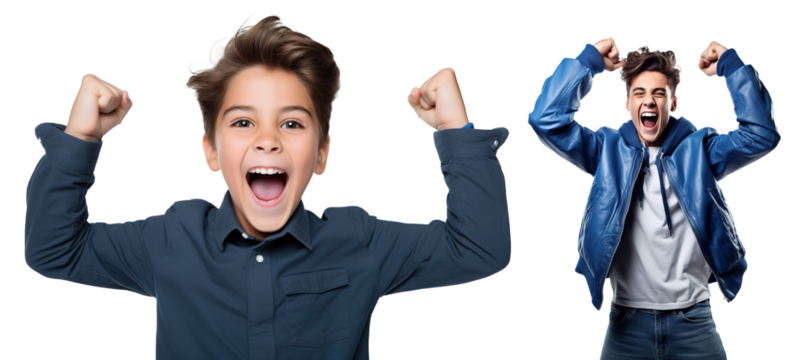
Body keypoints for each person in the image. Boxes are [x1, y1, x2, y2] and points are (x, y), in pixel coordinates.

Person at [23, 11, 511, 359]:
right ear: (211, 151)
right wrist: (81, 138)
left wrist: (453, 129)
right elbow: (53, 251)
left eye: (292, 124)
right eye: (243, 122)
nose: (268, 140)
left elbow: (479, 249)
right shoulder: (171, 238)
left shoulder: (358, 242)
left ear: (321, 153)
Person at [526, 37, 780, 358]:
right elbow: (545, 120)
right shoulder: (606, 152)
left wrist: (731, 65)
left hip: (694, 319)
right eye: (639, 93)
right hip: (626, 323)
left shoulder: (701, 152)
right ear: (627, 103)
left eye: (659, 93)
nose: (649, 100)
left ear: (673, 104)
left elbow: (761, 135)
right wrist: (588, 61)